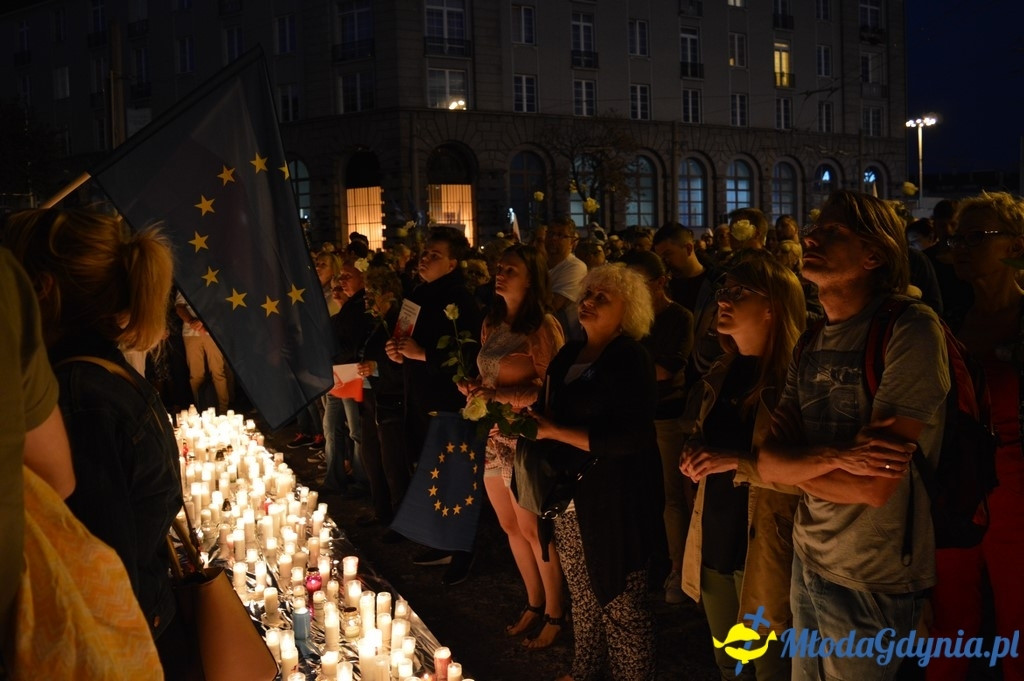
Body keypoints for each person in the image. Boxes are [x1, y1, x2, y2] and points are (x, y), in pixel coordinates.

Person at [757, 191, 950, 680]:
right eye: (815, 226)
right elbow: (767, 462)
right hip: (809, 554)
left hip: (874, 574)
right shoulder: (811, 338)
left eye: (834, 231)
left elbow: (874, 487)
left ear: (874, 255)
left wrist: (794, 465)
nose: (811, 235)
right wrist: (835, 455)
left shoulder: (910, 330)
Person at [5, 208, 187, 677]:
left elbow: (101, 561)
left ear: (41, 289)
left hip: (125, 645)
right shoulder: (106, 374)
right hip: (150, 620)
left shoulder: (77, 396)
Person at [532, 263, 663, 681]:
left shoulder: (630, 357)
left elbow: (634, 436)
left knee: (620, 599)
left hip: (615, 499)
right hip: (570, 496)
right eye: (587, 294)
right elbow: (551, 408)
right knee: (584, 594)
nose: (588, 302)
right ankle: (585, 668)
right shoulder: (569, 352)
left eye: (601, 297)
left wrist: (555, 431)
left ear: (629, 310)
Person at [679, 254, 805, 681]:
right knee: (729, 664)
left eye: (736, 293)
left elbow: (811, 475)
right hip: (715, 538)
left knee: (770, 668)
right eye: (721, 293)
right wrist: (694, 451)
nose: (722, 302)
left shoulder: (796, 380)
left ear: (773, 304)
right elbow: (709, 438)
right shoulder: (721, 370)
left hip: (765, 549)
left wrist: (737, 462)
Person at [926, 191, 1024, 681]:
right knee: (950, 619)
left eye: (977, 237)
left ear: (1016, 246)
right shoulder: (950, 321)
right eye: (957, 238)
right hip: (960, 486)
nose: (961, 247)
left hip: (1016, 492)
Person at [457, 245, 566, 647]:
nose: (499, 274)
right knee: (509, 526)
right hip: (493, 435)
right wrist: (473, 388)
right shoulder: (493, 322)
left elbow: (550, 387)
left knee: (533, 528)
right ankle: (533, 603)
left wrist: (499, 395)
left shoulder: (542, 328)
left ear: (532, 278)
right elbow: (487, 373)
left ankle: (556, 611)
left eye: (510, 269)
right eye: (498, 268)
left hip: (525, 437)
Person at [386, 226, 483, 585]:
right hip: (421, 395)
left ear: (454, 263)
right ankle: (439, 540)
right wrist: (397, 352)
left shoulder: (461, 298)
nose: (424, 259)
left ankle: (462, 550)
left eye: (435, 255)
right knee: (432, 474)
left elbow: (470, 354)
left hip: (448, 400)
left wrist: (423, 353)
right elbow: (406, 338)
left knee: (455, 476)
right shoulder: (419, 293)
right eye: (425, 253)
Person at [620, 250, 695, 605]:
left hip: (665, 414)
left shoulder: (679, 317)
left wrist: (624, 372)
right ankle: (645, 561)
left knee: (669, 496)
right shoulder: (628, 318)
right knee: (637, 492)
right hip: (632, 413)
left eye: (637, 284)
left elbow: (668, 369)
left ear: (660, 282)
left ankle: (678, 570)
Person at [356, 264, 411, 541]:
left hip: (390, 404)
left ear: (388, 294)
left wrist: (376, 368)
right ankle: (382, 511)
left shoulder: (401, 323)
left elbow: (404, 366)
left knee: (393, 466)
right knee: (372, 459)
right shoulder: (379, 322)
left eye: (372, 294)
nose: (367, 300)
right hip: (370, 403)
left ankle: (401, 522)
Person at [175, 291, 231, 413]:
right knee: (196, 374)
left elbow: (223, 304)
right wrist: (191, 321)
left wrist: (207, 322)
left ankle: (223, 410)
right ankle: (200, 409)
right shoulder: (186, 280)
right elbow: (179, 306)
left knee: (218, 372)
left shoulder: (216, 279)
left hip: (213, 331)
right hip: (190, 333)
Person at [545, 216, 588, 341]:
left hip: (565, 338)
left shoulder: (575, 267)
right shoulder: (541, 264)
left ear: (572, 242)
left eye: (561, 235)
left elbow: (552, 305)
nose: (553, 239)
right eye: (551, 233)